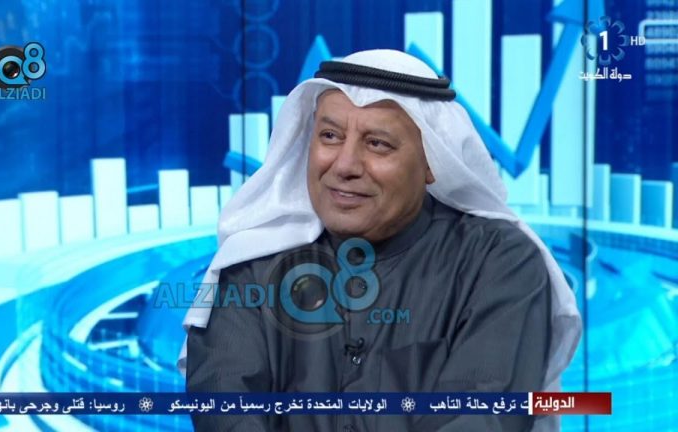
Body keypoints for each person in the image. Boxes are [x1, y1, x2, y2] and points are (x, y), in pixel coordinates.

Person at [177, 49, 581, 431]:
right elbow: (225, 403)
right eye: (330, 136)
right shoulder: (255, 261)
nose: (345, 165)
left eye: (377, 144)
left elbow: (480, 417)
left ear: (432, 163)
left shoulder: (498, 262)